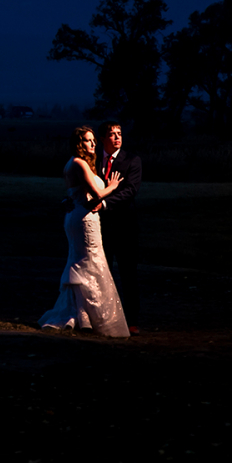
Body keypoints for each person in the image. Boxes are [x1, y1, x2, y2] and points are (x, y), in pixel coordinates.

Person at [39, 125, 129, 337]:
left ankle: (82, 314)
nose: (93, 144)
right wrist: (113, 186)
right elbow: (98, 193)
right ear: (80, 144)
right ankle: (88, 315)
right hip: (84, 220)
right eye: (88, 140)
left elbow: (72, 193)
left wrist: (68, 200)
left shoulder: (76, 164)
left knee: (82, 261)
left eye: (93, 140)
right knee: (88, 261)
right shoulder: (78, 163)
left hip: (78, 216)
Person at [94, 120, 142, 334]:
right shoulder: (94, 161)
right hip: (99, 226)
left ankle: (132, 321)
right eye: (112, 134)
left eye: (119, 133)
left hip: (124, 225)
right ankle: (104, 319)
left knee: (128, 273)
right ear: (102, 138)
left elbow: (130, 190)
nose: (117, 137)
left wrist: (104, 203)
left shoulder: (131, 160)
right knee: (102, 272)